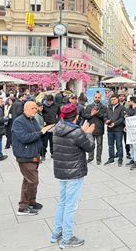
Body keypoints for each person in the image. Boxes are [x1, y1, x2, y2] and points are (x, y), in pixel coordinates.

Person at [51, 104, 95, 248]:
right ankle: (67, 237)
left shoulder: (57, 128)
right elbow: (89, 147)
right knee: (71, 205)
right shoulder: (77, 132)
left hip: (61, 170)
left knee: (62, 202)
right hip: (74, 171)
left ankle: (57, 232)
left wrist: (81, 132)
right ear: (76, 116)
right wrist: (88, 133)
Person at [12, 101, 46, 216]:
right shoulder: (18, 122)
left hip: (33, 154)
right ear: (25, 109)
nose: (35, 110)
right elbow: (25, 138)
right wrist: (41, 132)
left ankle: (30, 202)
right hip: (25, 155)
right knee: (33, 181)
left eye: (36, 108)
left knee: (28, 180)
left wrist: (44, 130)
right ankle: (23, 207)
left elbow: (37, 132)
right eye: (33, 108)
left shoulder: (32, 119)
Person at [83, 92, 107, 165]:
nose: (97, 99)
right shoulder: (88, 107)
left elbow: (104, 117)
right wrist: (91, 114)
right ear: (93, 98)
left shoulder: (104, 107)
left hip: (99, 128)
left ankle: (98, 159)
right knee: (90, 144)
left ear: (100, 98)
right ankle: (90, 158)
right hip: (91, 129)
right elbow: (85, 116)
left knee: (99, 145)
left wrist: (97, 114)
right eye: (96, 97)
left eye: (98, 97)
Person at [105, 95, 126, 167]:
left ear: (117, 100)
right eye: (112, 100)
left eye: (114, 99)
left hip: (118, 129)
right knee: (110, 145)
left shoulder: (122, 107)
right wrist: (106, 121)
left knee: (119, 144)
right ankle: (111, 158)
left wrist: (115, 123)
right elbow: (105, 116)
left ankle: (120, 159)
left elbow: (122, 118)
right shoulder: (109, 107)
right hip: (110, 129)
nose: (113, 101)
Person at [41, 95, 60, 161]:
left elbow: (60, 114)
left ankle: (53, 153)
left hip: (53, 125)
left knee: (53, 141)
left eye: (51, 101)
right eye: (48, 101)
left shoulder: (56, 105)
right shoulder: (43, 106)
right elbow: (40, 114)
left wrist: (57, 121)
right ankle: (43, 154)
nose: (50, 103)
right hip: (45, 126)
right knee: (44, 141)